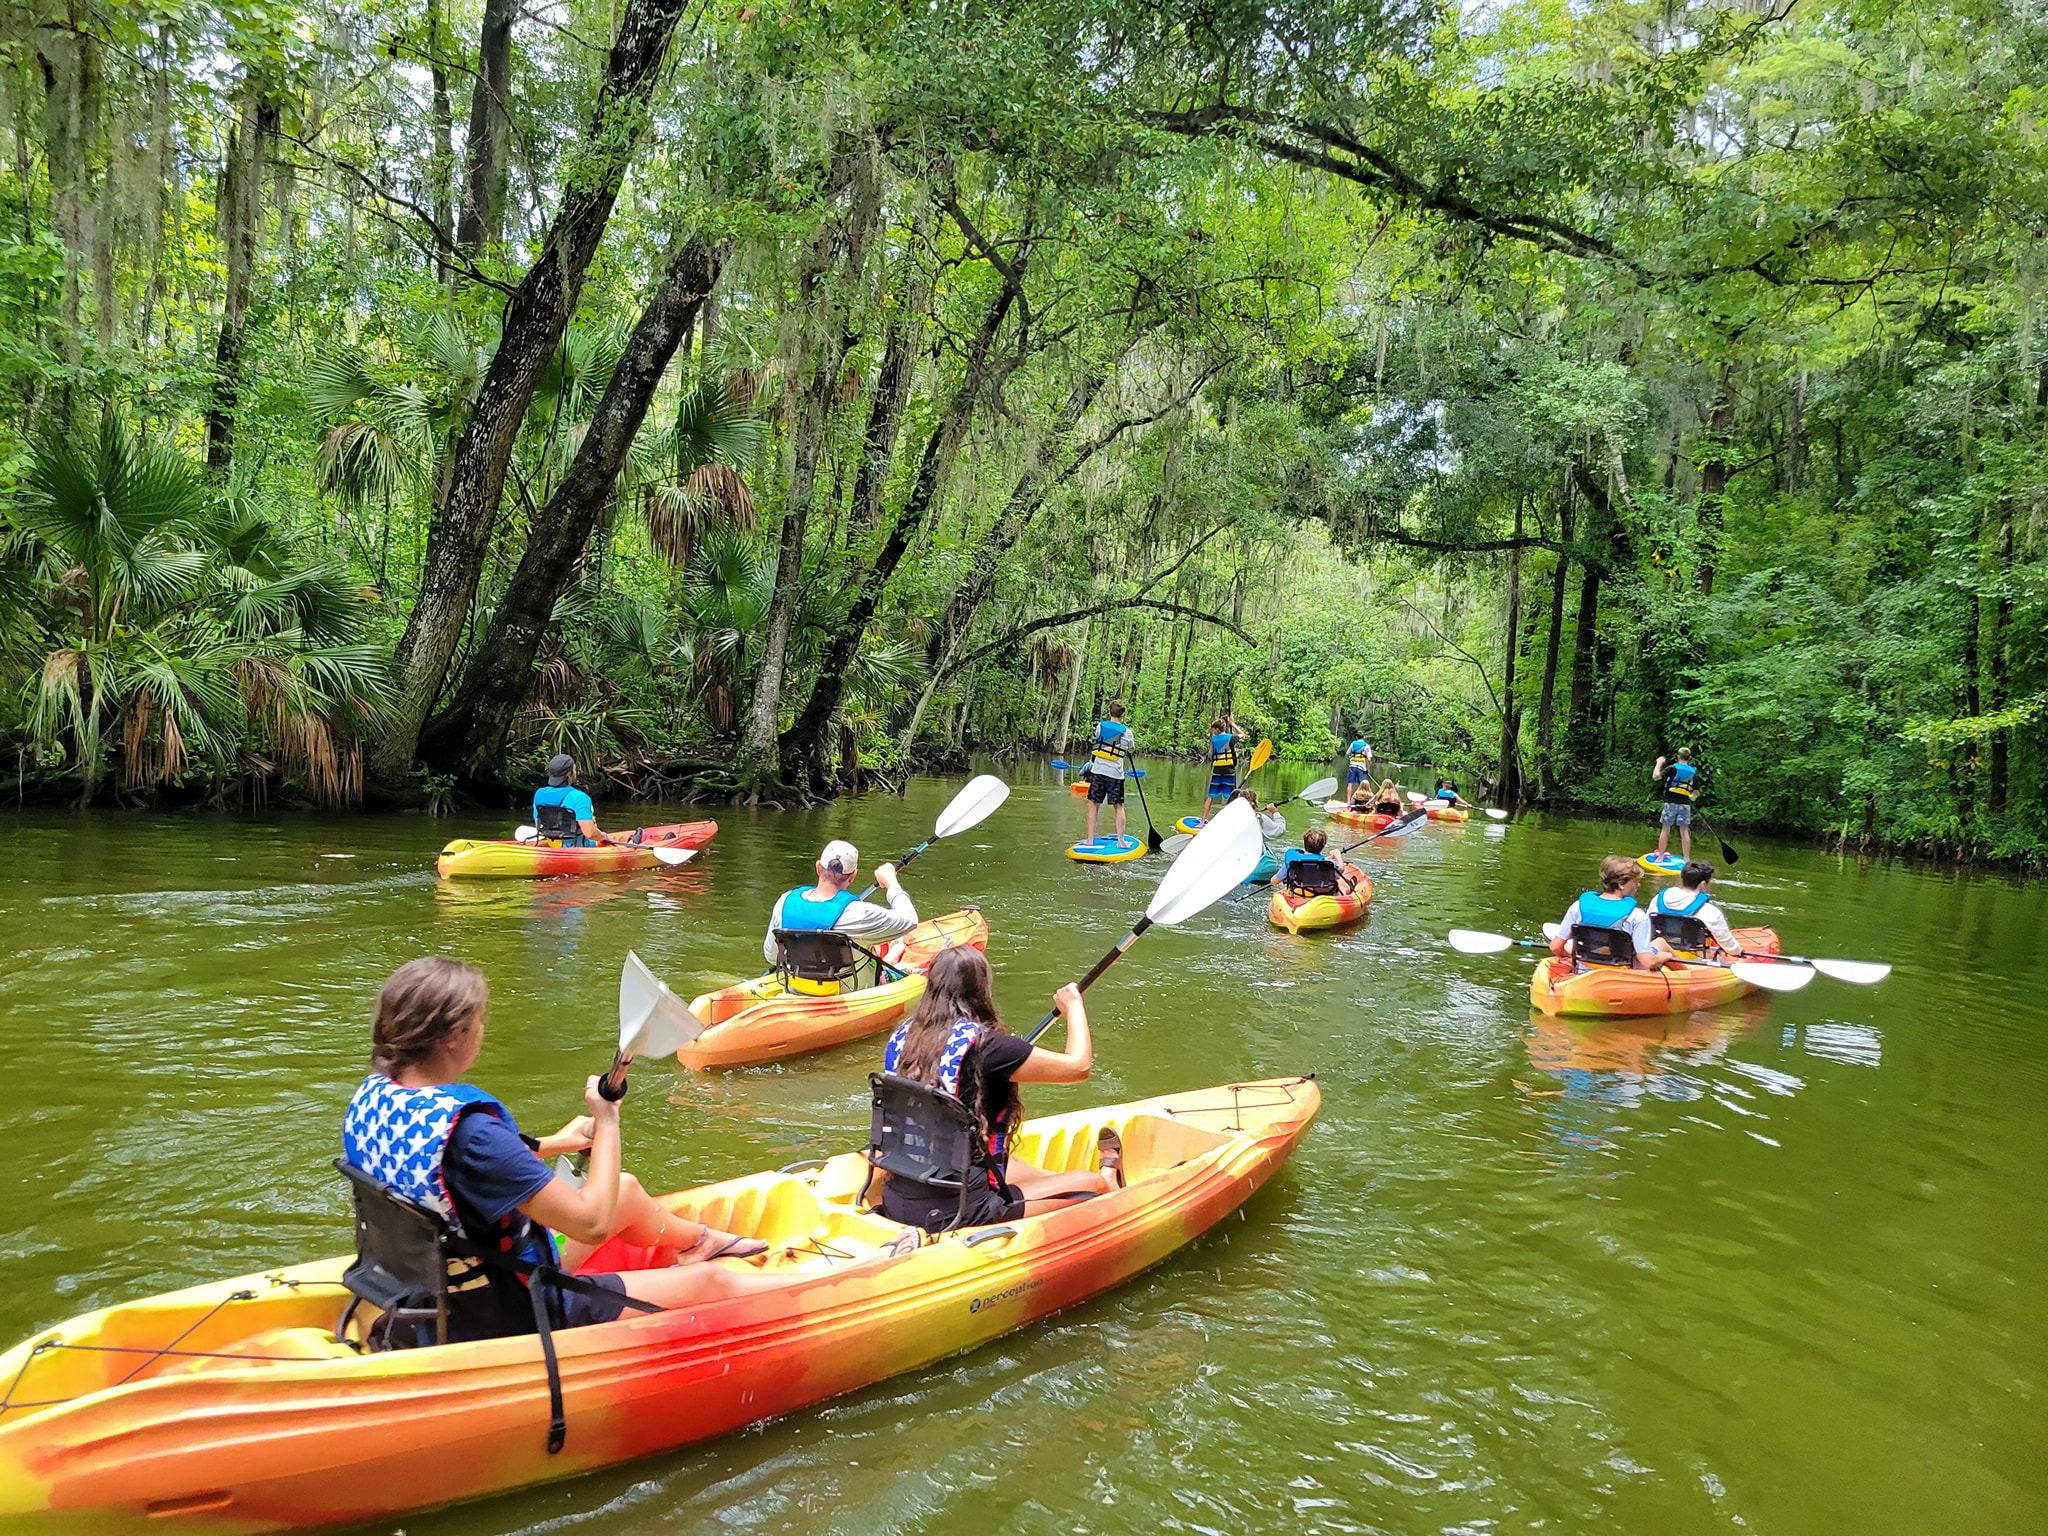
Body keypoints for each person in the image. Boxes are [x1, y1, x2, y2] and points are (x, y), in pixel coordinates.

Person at [340, 958, 911, 1346]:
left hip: (436, 1279)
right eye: (479, 1023)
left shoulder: (375, 1100)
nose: (482, 1032)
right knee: (716, 1288)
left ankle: (704, 1244)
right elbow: (587, 1222)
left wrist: (558, 1144)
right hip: (509, 1304)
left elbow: (452, 1168)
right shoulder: (473, 1136)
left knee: (630, 1193)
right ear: (452, 1038)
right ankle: (856, 1277)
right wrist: (607, 1120)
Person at [877, 948, 1119, 1232]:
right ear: (982, 989)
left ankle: (1051, 1181)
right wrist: (1074, 1006)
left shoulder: (903, 1037)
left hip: (898, 1195)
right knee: (1090, 1185)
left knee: (1014, 1164)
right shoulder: (989, 1048)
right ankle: (1109, 1181)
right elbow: (1078, 1067)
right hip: (959, 1210)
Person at [762, 841, 918, 985]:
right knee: (904, 968)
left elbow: (771, 956)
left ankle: (890, 957)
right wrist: (891, 882)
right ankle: (891, 959)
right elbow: (910, 920)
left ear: (818, 868)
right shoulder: (859, 913)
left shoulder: (784, 902)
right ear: (852, 876)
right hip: (849, 992)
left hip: (798, 987)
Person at [1549, 855, 1660, 970]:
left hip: (1583, 973)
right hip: (1621, 978)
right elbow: (1648, 962)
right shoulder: (1637, 916)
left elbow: (1555, 947)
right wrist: (1664, 956)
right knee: (1659, 947)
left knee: (1570, 945)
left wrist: (1572, 956)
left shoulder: (1577, 907)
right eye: (1635, 881)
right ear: (1621, 884)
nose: (1638, 885)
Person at [1650, 860, 1744, 958]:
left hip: (1661, 953)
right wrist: (1740, 952)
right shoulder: (1710, 911)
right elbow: (1731, 949)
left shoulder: (1658, 899)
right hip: (1693, 961)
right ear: (1703, 884)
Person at [530, 754, 621, 848]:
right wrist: (604, 836)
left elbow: (539, 825)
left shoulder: (540, 794)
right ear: (570, 773)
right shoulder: (579, 798)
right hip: (580, 848)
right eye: (574, 769)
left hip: (553, 845)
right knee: (625, 839)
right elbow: (590, 834)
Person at [1085, 700, 1135, 843]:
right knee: (1118, 806)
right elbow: (1130, 749)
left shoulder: (1100, 726)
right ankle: (1120, 841)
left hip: (1098, 771)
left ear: (1109, 712)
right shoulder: (1127, 732)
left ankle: (1090, 840)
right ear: (1122, 715)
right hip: (1115, 775)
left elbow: (1098, 738)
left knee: (1094, 805)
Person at [1652, 748, 1700, 861]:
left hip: (1670, 803)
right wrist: (1691, 798)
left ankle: (1660, 857)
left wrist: (1659, 763)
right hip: (1685, 805)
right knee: (1684, 830)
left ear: (1678, 756)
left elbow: (1656, 777)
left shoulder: (1672, 768)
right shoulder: (1693, 772)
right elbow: (1696, 792)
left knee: (1665, 829)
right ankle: (1686, 858)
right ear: (1689, 758)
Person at [1279, 826, 1358, 892]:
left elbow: (1274, 881)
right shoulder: (1328, 863)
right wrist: (1337, 855)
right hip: (1323, 894)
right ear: (1323, 846)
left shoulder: (1293, 862)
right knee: (1344, 885)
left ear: (1305, 843)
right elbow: (1341, 870)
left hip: (1299, 893)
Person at [1201, 713, 1243, 821]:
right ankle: (1230, 821)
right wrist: (1232, 724)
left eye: (1213, 729)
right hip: (1229, 770)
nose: (1212, 732)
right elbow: (1242, 734)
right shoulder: (1231, 738)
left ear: (1216, 729)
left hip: (1217, 770)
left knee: (1210, 796)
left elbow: (1221, 739)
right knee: (1231, 797)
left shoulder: (1214, 739)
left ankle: (1201, 822)